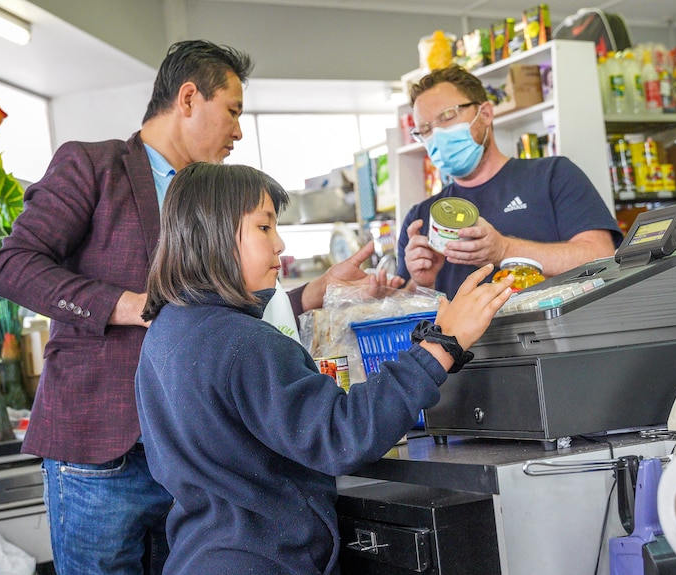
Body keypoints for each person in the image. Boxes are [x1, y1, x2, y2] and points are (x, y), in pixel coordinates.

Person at [0, 40, 399, 575]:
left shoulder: (210, 197)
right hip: (102, 451)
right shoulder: (93, 166)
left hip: (191, 465)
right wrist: (127, 304)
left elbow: (219, 311)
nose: (238, 131)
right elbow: (13, 266)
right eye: (232, 111)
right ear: (188, 98)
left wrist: (313, 293)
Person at [135, 161, 515, 575]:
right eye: (264, 228)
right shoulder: (245, 344)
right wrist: (443, 343)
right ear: (213, 233)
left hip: (198, 556)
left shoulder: (167, 329)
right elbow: (342, 435)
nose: (279, 244)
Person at [397, 65, 624, 299]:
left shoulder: (552, 175)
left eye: (448, 116)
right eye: (425, 129)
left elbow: (601, 256)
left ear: (485, 113)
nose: (438, 135)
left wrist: (504, 250)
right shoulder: (420, 218)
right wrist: (421, 282)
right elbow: (402, 312)